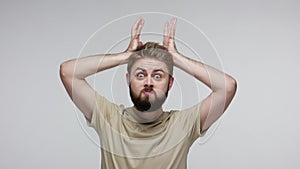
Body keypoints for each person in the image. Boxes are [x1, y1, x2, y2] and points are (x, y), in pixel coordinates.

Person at [60, 17, 237, 169]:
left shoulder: (184, 123)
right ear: (128, 80)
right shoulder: (108, 117)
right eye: (141, 74)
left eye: (158, 75)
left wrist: (177, 59)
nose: (149, 82)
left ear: (170, 83)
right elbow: (68, 72)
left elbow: (227, 87)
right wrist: (125, 56)